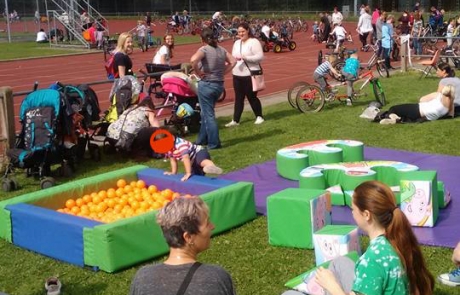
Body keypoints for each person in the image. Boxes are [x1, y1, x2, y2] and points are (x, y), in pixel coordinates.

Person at [282, 181, 435, 295]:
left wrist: (332, 286)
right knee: (340, 263)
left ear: (366, 215)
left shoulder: (371, 262)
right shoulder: (396, 240)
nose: (352, 212)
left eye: (353, 208)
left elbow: (372, 269)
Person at [129, 197, 236, 295]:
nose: (212, 226)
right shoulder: (217, 278)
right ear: (188, 237)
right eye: (207, 223)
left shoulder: (143, 278)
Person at [190, 28, 236, 150]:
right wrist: (223, 73)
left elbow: (193, 60)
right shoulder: (222, 50)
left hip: (207, 84)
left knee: (208, 115)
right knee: (206, 114)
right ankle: (201, 140)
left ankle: (214, 143)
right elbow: (233, 61)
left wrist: (198, 71)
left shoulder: (204, 49)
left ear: (202, 39)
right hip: (219, 85)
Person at [225, 22, 264, 128]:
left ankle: (259, 116)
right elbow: (233, 57)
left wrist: (245, 57)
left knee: (252, 97)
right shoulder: (237, 43)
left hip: (249, 74)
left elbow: (260, 57)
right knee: (238, 98)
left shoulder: (254, 42)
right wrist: (229, 62)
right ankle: (235, 120)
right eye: (239, 32)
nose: (241, 34)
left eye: (243, 31)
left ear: (248, 31)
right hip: (237, 74)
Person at [153, 130, 223, 181]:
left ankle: (211, 166)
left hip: (198, 152)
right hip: (192, 162)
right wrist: (173, 172)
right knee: (195, 177)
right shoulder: (168, 149)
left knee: (201, 161)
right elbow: (173, 160)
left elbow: (186, 158)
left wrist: (188, 173)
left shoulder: (180, 144)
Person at [379, 84, 455, 124]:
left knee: (393, 108)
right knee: (402, 113)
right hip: (423, 117)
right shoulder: (450, 105)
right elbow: (451, 115)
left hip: (417, 109)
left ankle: (393, 118)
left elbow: (422, 99)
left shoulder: (438, 95)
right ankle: (398, 118)